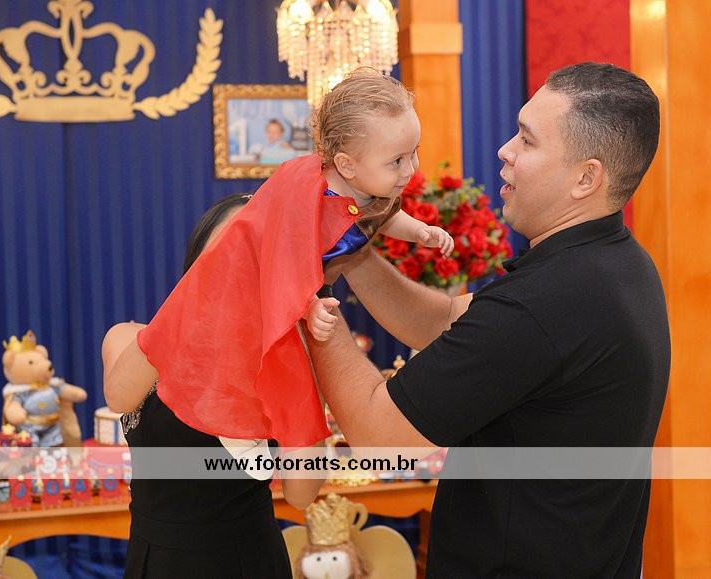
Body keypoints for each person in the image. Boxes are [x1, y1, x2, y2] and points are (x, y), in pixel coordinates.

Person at [302, 62, 669, 577]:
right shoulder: (618, 262)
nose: (505, 150)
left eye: (527, 140)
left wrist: (308, 293)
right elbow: (446, 321)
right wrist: (350, 253)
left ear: (586, 178)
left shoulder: (547, 303)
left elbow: (377, 437)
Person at [135, 68, 454, 450]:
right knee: (237, 368)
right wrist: (308, 305)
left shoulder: (367, 186)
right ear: (347, 165)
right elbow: (281, 263)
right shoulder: (307, 198)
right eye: (397, 161)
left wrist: (420, 231)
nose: (411, 169)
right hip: (249, 290)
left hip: (292, 290)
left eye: (413, 152)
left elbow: (383, 216)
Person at [103, 194, 324, 578]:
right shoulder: (128, 337)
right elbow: (119, 396)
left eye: (256, 253)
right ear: (197, 257)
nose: (237, 265)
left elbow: (301, 494)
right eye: (230, 246)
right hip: (157, 560)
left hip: (250, 560)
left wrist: (300, 362)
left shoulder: (278, 363)